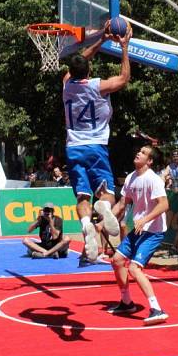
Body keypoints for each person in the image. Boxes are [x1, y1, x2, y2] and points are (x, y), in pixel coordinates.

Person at [63, 21, 131, 263]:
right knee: (106, 195)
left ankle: (85, 223)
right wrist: (124, 47)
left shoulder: (66, 86)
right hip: (96, 147)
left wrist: (101, 39)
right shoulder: (99, 86)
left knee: (82, 197)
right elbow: (124, 78)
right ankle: (102, 206)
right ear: (89, 71)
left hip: (73, 148)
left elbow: (80, 59)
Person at [108, 145, 170, 325]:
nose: (138, 153)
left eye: (143, 153)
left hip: (153, 232)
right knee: (117, 261)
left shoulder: (153, 179)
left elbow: (164, 205)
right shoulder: (130, 177)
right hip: (138, 230)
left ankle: (156, 309)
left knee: (135, 269)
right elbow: (121, 204)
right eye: (139, 151)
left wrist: (145, 219)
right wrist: (104, 220)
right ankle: (127, 303)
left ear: (149, 161)